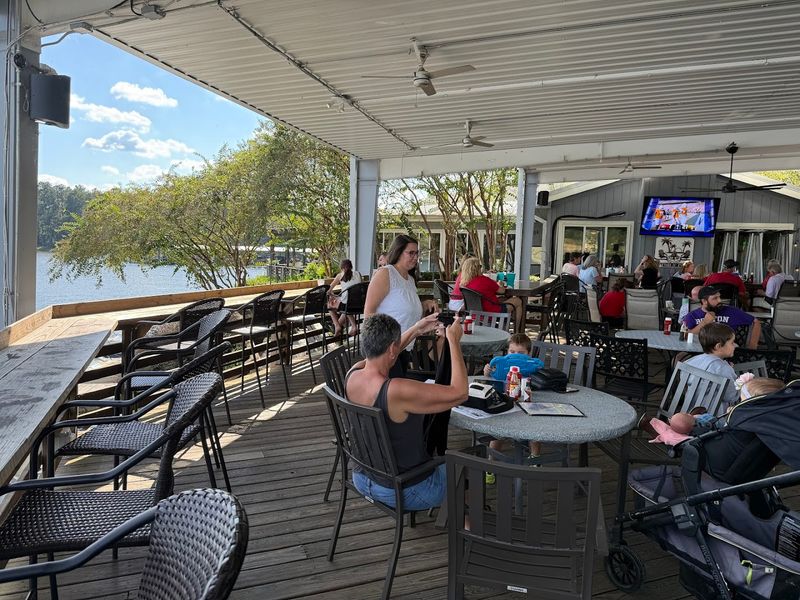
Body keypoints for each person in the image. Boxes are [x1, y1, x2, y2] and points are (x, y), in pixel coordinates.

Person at [346, 313, 467, 510]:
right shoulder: (396, 390)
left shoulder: (353, 374)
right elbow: (460, 393)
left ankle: (461, 517)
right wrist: (453, 341)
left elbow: (387, 354)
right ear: (392, 348)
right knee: (464, 468)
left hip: (362, 476)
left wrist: (417, 329)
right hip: (400, 488)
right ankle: (463, 521)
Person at [365, 234, 438, 377]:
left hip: (405, 347)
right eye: (411, 253)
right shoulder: (386, 273)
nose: (415, 257)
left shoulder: (410, 279)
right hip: (385, 350)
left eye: (417, 253)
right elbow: (369, 313)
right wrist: (379, 347)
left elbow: (403, 307)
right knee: (388, 396)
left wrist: (424, 305)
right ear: (398, 252)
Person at [459, 256, 524, 331]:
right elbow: (502, 291)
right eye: (480, 266)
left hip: (473, 314)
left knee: (503, 299)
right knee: (517, 301)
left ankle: (506, 324)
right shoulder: (484, 280)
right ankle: (517, 331)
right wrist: (500, 284)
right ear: (476, 268)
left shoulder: (464, 283)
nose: (481, 268)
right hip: (491, 312)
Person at [683, 286, 761, 349]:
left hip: (725, 352)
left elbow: (755, 321)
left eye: (719, 297)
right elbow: (685, 337)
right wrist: (705, 322)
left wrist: (752, 345)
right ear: (704, 301)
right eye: (715, 298)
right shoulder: (692, 316)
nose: (720, 300)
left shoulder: (730, 311)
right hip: (699, 350)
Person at [684, 322, 739, 410]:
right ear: (718, 346)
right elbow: (731, 396)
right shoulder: (723, 368)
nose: (735, 345)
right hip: (713, 418)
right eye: (732, 343)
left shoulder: (691, 361)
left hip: (690, 411)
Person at [327, 259, 362, 337]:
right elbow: (359, 289)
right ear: (351, 266)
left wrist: (333, 296)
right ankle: (353, 326)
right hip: (359, 304)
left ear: (341, 268)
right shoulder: (358, 274)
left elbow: (329, 290)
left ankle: (337, 326)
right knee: (346, 305)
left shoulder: (340, 275)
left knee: (329, 305)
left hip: (347, 306)